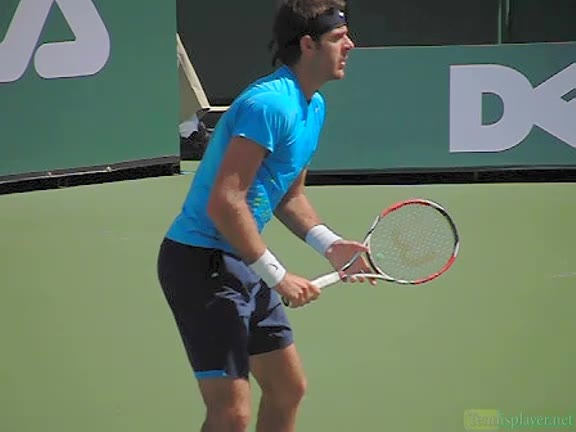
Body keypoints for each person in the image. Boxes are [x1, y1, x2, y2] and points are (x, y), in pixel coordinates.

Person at [157, 1, 373, 430]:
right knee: (230, 412)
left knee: (287, 388)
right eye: (338, 38)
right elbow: (225, 202)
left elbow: (288, 195)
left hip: (240, 259)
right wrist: (277, 275)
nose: (350, 45)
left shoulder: (313, 107)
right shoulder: (269, 105)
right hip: (201, 264)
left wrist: (330, 245)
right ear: (308, 45)